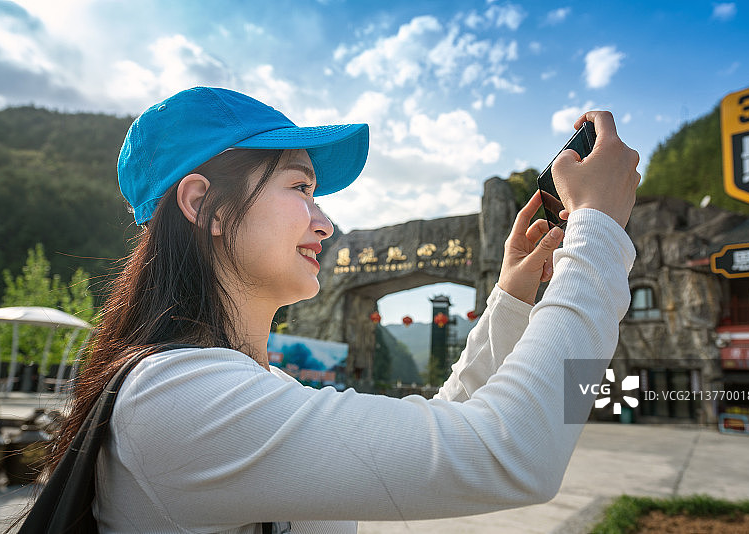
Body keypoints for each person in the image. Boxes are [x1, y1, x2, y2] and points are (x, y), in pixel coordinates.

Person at [46, 87, 640, 533]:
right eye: (299, 188)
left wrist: (510, 300)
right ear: (206, 206)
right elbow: (515, 456)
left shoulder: (237, 389)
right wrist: (599, 233)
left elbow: (450, 425)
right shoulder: (178, 399)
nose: (325, 223)